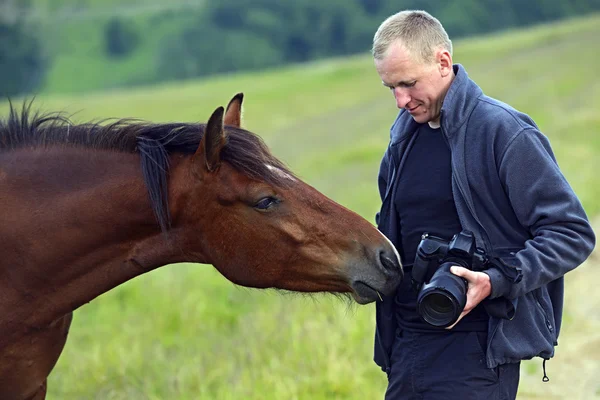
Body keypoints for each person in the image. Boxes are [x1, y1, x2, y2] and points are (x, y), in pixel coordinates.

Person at [371, 10, 595, 400]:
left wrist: (499, 279)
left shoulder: (503, 131)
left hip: (479, 349)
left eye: (407, 84)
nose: (399, 101)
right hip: (406, 345)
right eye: (390, 87)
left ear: (442, 61)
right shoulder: (401, 140)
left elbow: (571, 233)